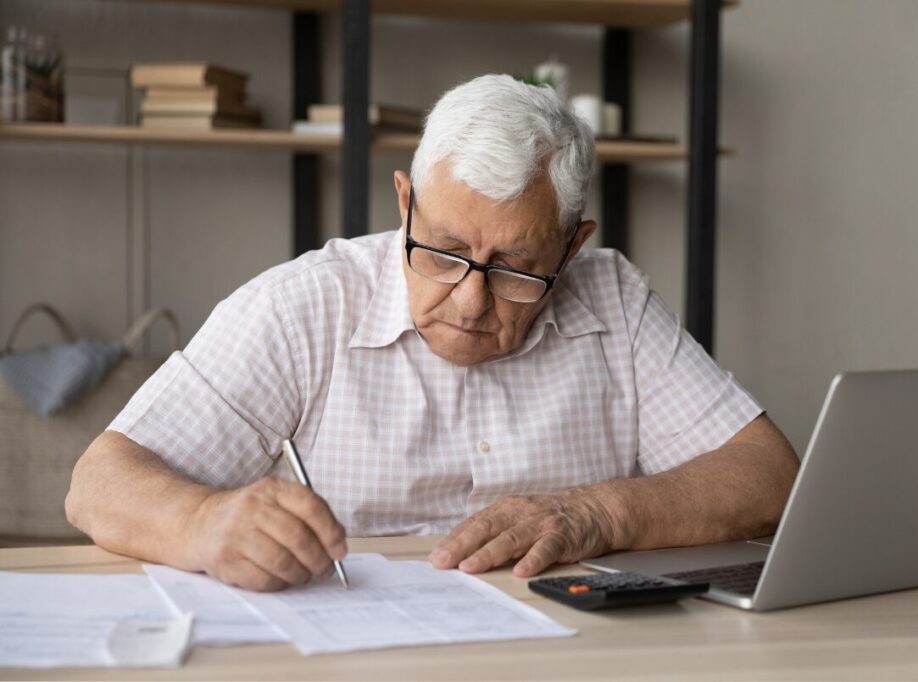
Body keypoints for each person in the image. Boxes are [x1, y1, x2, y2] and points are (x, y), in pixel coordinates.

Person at [66, 74, 798, 592]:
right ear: (404, 203)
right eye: (444, 252)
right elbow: (99, 484)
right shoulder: (305, 306)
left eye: (516, 268)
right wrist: (203, 522)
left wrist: (596, 514)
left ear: (571, 249)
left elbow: (768, 474)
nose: (472, 300)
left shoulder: (614, 297)